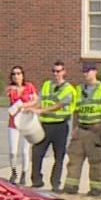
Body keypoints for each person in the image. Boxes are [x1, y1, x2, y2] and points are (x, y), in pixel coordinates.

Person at [62, 62, 101, 196]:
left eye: (88, 71)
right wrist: (74, 128)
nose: (86, 74)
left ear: (95, 72)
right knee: (74, 159)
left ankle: (96, 189)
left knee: (96, 161)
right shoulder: (79, 89)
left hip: (95, 131)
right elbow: (76, 110)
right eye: (84, 72)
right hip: (81, 129)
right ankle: (71, 187)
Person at [30, 60, 77, 189]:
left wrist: (41, 110)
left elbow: (59, 105)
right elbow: (39, 101)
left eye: (58, 71)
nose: (56, 74)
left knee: (59, 156)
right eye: (54, 71)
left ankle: (55, 182)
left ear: (64, 72)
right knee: (36, 153)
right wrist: (28, 107)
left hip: (60, 126)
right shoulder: (46, 85)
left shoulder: (69, 89)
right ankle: (37, 181)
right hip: (45, 125)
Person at [3, 65, 37, 182]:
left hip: (26, 121)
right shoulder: (10, 89)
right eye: (13, 74)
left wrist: (25, 105)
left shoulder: (29, 87)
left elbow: (35, 100)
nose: (16, 76)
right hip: (14, 122)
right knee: (13, 151)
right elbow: (10, 100)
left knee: (25, 150)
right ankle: (14, 173)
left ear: (23, 75)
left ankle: (24, 173)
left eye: (18, 73)